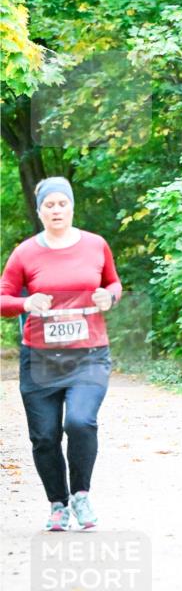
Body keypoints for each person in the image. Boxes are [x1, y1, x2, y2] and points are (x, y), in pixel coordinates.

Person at [0, 177, 122, 531]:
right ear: (40, 211)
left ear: (72, 207)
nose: (56, 210)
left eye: (62, 203)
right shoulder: (25, 253)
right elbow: (3, 298)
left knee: (80, 422)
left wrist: (110, 296)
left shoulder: (96, 245)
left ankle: (81, 494)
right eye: (49, 205)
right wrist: (26, 303)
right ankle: (58, 504)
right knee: (44, 436)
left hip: (88, 354)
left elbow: (113, 283)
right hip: (40, 359)